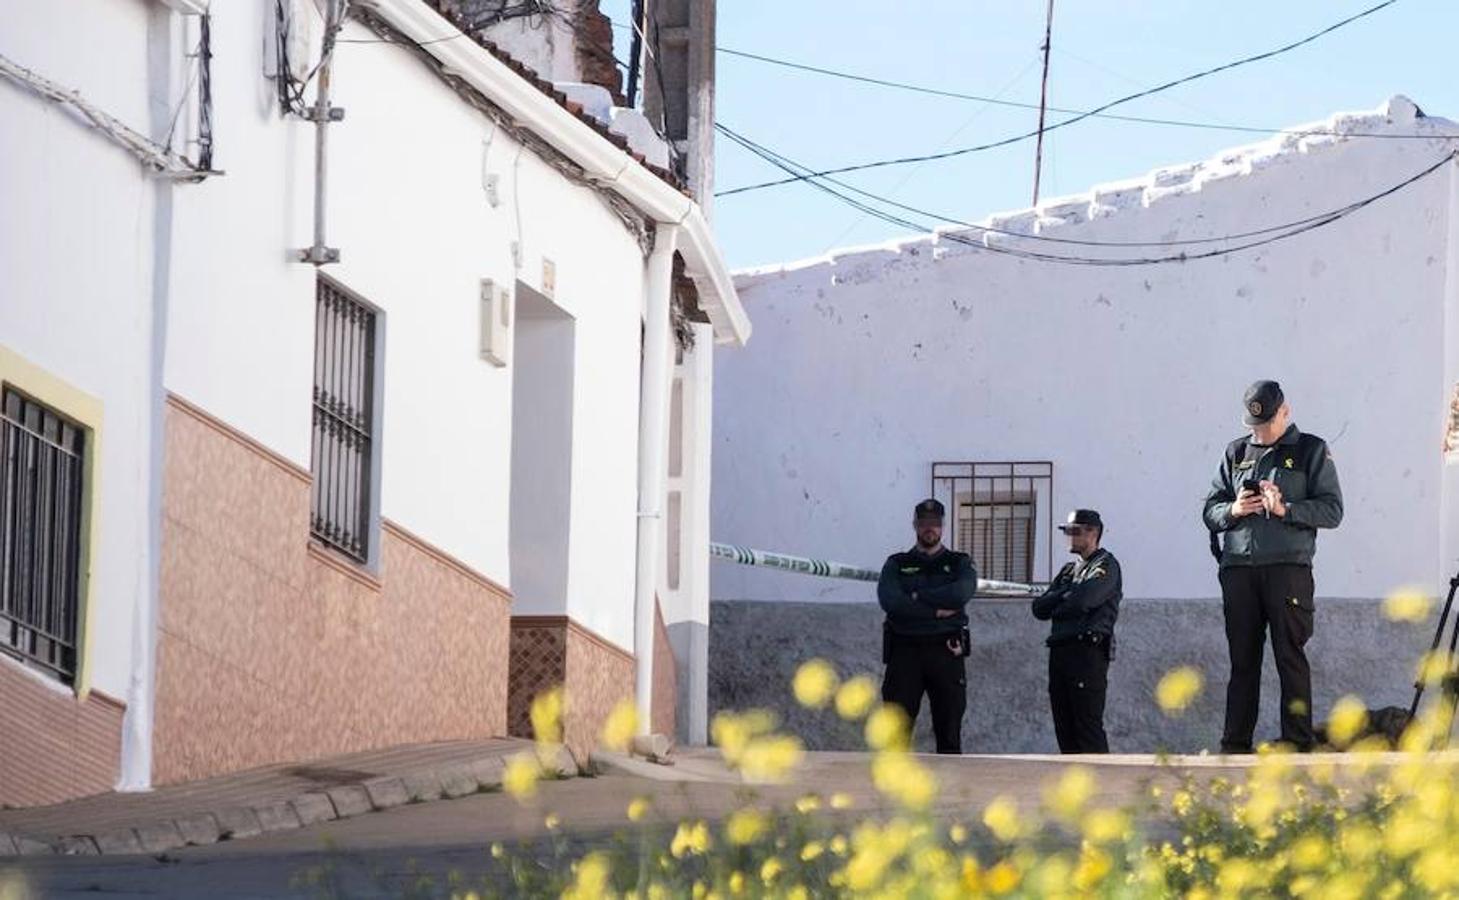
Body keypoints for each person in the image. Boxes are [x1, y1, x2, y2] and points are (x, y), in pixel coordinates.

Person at [1203, 379, 1343, 753]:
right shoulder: (1235, 452)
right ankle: (1235, 744)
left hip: (1288, 569)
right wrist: (1232, 510)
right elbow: (1210, 508)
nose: (1261, 434)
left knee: (1290, 657)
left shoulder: (1311, 449)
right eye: (1254, 428)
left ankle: (1297, 742)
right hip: (1239, 568)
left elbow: (1332, 510)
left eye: (1267, 425)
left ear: (1286, 411)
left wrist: (1286, 509)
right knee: (1242, 661)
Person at [877, 498, 977, 754]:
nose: (929, 529)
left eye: (934, 523)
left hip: (946, 650)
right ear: (915, 525)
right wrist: (936, 609)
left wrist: (916, 595)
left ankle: (951, 793)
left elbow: (961, 593)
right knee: (896, 732)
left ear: (942, 526)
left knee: (949, 730)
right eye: (923, 523)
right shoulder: (897, 563)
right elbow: (891, 601)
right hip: (905, 651)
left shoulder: (959, 562)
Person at [1032, 509, 1122, 754]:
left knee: (1087, 725)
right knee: (1064, 725)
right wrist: (1064, 594)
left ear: (1093, 533)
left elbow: (1084, 600)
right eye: (1068, 531)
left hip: (1086, 652)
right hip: (1060, 651)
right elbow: (1039, 608)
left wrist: (1060, 600)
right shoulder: (1068, 572)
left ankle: (1101, 784)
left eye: (1075, 531)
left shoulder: (1105, 566)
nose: (1070, 536)